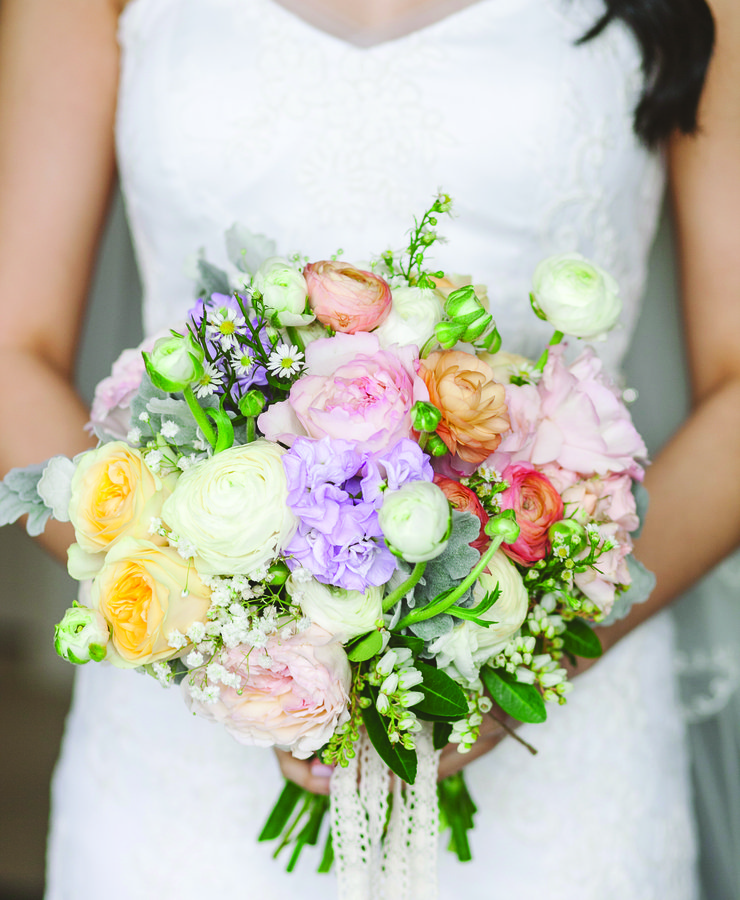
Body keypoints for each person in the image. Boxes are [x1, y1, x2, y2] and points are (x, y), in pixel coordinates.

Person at [1, 0, 738, 896]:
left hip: (565, 738)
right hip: (183, 752)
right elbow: (13, 350)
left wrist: (530, 650)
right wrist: (221, 629)